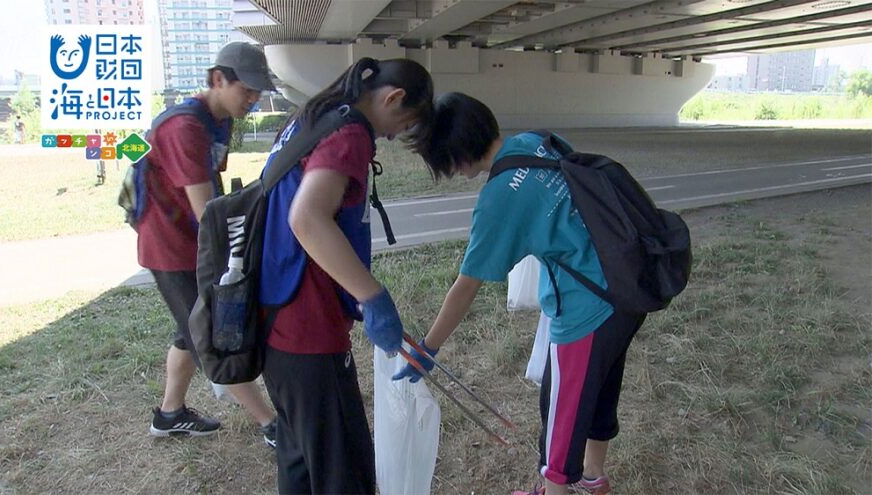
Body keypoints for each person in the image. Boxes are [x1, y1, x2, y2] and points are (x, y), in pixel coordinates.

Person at [393, 92, 646, 495]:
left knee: (561, 409)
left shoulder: (498, 199)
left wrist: (428, 348)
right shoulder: (537, 140)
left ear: (455, 152)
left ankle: (559, 489)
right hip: (627, 283)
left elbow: (466, 286)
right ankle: (593, 477)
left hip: (586, 307)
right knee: (600, 386)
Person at [260, 57, 433, 494]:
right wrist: (373, 297)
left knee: (301, 460)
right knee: (345, 474)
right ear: (393, 97)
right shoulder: (350, 132)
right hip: (308, 328)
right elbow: (308, 219)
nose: (391, 135)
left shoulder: (313, 116)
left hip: (272, 321)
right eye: (402, 121)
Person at [138, 42, 278, 446]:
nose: (252, 100)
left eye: (257, 92)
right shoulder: (185, 128)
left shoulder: (219, 121)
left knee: (188, 331)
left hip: (190, 243)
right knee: (210, 338)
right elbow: (207, 214)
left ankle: (169, 414)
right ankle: (271, 425)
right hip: (171, 249)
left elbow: (213, 190)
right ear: (218, 79)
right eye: (246, 91)